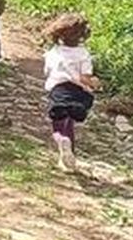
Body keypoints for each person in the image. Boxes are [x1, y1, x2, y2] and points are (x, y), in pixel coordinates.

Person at [42, 13, 101, 171]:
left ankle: (62, 142)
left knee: (58, 123)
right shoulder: (83, 54)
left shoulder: (54, 52)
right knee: (70, 122)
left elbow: (47, 71)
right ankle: (70, 156)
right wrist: (94, 82)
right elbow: (84, 77)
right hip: (77, 93)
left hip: (58, 89)